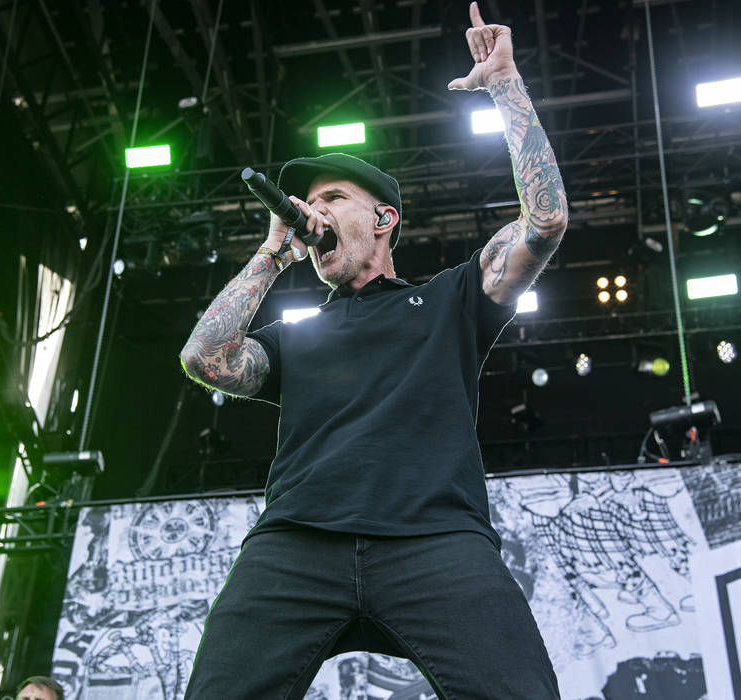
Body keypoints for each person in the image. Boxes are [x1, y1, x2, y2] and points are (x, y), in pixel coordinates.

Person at [178, 3, 567, 697]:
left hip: (436, 542)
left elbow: (546, 219)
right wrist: (272, 251)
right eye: (307, 202)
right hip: (295, 545)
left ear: (384, 218)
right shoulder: (298, 337)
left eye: (332, 197)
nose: (316, 211)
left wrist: (504, 83)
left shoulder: (450, 300)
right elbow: (204, 358)